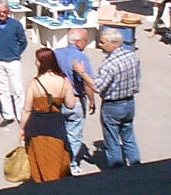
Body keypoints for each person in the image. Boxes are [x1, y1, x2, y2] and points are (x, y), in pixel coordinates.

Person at [73, 29, 141, 168]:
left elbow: (97, 87)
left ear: (114, 43)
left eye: (103, 43)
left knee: (112, 141)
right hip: (129, 103)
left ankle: (117, 172)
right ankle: (136, 167)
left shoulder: (109, 64)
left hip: (113, 106)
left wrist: (82, 73)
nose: (100, 45)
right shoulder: (132, 56)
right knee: (129, 137)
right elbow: (137, 77)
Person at [19, 47, 76, 182]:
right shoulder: (64, 81)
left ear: (42, 62)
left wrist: (22, 128)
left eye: (37, 61)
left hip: (36, 127)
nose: (35, 63)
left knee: (38, 162)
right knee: (56, 161)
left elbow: (26, 109)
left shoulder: (34, 83)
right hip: (56, 126)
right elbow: (70, 104)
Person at [53, 29, 96, 176]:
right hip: (75, 100)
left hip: (57, 98)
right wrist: (92, 101)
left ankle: (57, 159)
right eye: (85, 40)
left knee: (59, 131)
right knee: (74, 133)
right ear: (78, 42)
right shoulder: (81, 58)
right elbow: (87, 84)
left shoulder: (56, 53)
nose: (86, 43)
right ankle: (71, 164)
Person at [0, 0, 28, 126]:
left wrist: (16, 53)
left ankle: (21, 115)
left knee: (18, 89)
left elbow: (23, 41)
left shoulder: (16, 25)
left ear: (8, 11)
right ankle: (8, 115)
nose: (2, 14)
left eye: (4, 11)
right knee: (2, 89)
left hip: (13, 61)